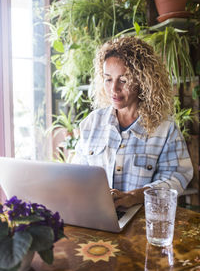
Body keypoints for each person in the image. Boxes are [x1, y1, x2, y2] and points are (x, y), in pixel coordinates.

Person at [72, 36, 193, 208]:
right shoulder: (92, 123)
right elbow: (76, 174)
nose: (114, 89)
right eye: (108, 79)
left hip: (143, 224)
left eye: (123, 80)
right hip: (97, 219)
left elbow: (178, 177)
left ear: (143, 80)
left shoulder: (165, 129)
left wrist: (135, 196)